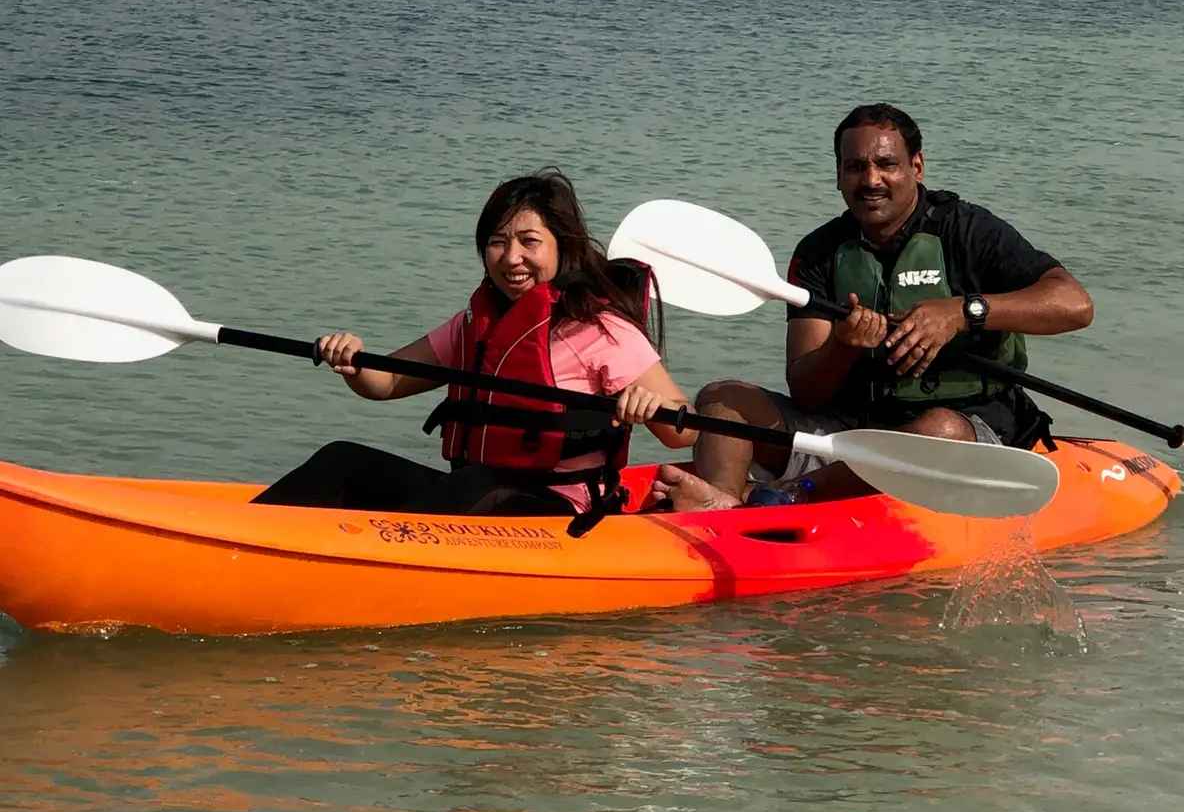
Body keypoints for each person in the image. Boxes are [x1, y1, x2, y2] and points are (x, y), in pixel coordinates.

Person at [653, 103, 1094, 510]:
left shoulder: (969, 232)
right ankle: (722, 507)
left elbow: (1075, 305)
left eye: (886, 164)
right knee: (722, 399)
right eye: (855, 167)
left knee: (939, 429)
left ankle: (791, 496)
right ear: (839, 175)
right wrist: (842, 347)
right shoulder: (819, 252)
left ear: (916, 167)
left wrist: (961, 312)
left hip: (963, 434)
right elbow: (807, 393)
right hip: (852, 433)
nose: (871, 180)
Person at [256, 171, 695, 526]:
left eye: (530, 241)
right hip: (476, 494)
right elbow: (386, 382)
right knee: (343, 460)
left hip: (560, 513)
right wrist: (351, 361)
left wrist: (649, 403)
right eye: (498, 243)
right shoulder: (477, 325)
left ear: (563, 247)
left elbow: (685, 429)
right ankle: (244, 536)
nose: (511, 258)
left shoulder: (598, 329)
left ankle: (369, 565)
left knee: (472, 484)